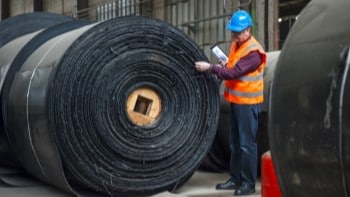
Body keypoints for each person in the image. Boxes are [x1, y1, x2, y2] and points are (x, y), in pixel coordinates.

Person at [195, 10, 266, 196]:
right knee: (235, 143)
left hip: (248, 104)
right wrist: (224, 64)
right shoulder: (237, 45)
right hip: (236, 101)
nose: (234, 34)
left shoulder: (254, 52)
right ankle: (235, 179)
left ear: (248, 29)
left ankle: (248, 183)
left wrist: (210, 68)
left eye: (237, 31)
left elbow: (234, 73)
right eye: (233, 31)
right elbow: (232, 67)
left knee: (246, 145)